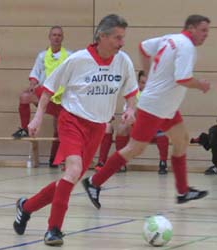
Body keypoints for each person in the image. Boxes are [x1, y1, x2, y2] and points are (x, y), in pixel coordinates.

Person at [13, 14, 138, 246]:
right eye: (117, 38)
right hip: (72, 121)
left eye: (123, 38)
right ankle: (54, 230)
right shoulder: (78, 60)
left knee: (70, 179)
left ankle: (26, 207)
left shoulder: (123, 61)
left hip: (98, 127)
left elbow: (132, 92)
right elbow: (48, 89)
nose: (121, 43)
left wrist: (130, 110)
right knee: (73, 171)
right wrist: (38, 117)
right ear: (102, 36)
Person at [82, 15, 211, 210]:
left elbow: (143, 47)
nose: (206, 35)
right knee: (134, 149)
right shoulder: (187, 47)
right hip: (155, 106)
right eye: (203, 30)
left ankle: (183, 191)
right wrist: (200, 84)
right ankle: (94, 182)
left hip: (166, 105)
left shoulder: (170, 39)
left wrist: (149, 74)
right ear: (191, 29)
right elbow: (183, 79)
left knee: (182, 140)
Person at [11, 26, 72, 168]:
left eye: (59, 35)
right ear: (49, 37)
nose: (56, 37)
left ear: (62, 38)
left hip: (62, 97)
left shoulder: (70, 55)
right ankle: (25, 129)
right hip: (45, 93)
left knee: (59, 128)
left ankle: (54, 159)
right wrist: (32, 84)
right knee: (24, 97)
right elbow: (35, 75)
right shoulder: (42, 55)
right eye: (54, 35)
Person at [95, 70, 169, 174]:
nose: (145, 85)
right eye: (143, 82)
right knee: (122, 127)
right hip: (137, 127)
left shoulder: (158, 94)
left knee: (163, 130)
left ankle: (163, 163)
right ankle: (120, 163)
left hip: (153, 129)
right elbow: (127, 115)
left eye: (147, 83)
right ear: (138, 83)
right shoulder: (133, 95)